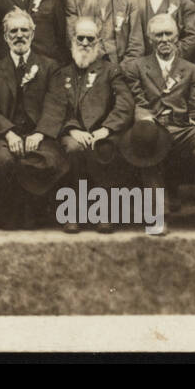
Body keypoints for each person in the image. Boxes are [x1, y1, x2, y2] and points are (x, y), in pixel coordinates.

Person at [120, 13, 195, 236]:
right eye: (159, 35)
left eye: (169, 34)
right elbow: (137, 102)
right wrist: (147, 120)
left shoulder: (192, 70)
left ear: (177, 37)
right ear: (150, 39)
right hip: (154, 126)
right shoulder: (136, 67)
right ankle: (159, 216)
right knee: (145, 139)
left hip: (182, 128)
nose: (165, 39)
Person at [35, 16, 134, 233]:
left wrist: (106, 129)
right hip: (72, 133)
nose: (85, 44)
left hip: (104, 131)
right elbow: (55, 107)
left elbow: (125, 104)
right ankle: (75, 212)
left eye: (91, 39)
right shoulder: (62, 74)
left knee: (105, 148)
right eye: (81, 38)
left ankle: (103, 212)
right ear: (73, 40)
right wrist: (73, 129)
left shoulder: (111, 71)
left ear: (98, 42)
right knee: (74, 149)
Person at [0, 9, 61, 229]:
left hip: (38, 133)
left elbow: (55, 104)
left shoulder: (49, 67)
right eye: (13, 31)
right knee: (3, 160)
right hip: (7, 134)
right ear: (5, 37)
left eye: (24, 30)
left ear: (33, 34)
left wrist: (40, 133)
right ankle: (9, 212)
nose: (19, 35)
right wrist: (9, 133)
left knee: (45, 158)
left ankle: (33, 211)